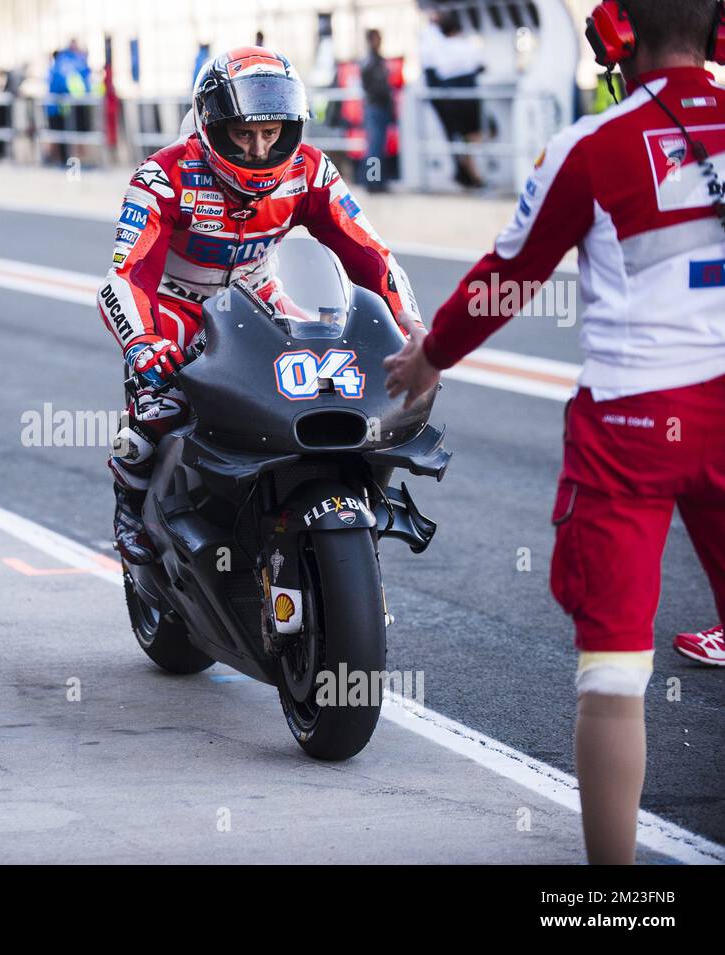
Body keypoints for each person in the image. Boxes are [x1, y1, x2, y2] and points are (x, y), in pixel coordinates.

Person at [383, 0, 725, 864]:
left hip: (631, 429)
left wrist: (431, 354)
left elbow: (510, 275)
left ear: (615, 33)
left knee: (614, 677)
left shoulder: (592, 145)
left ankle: (612, 902)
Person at [96, 46, 419, 565]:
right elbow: (125, 275)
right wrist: (143, 344)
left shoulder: (311, 170)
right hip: (178, 309)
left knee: (331, 382)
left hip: (260, 297)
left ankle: (347, 491)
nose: (258, 148)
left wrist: (412, 327)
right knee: (154, 417)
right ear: (209, 127)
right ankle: (131, 508)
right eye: (242, 134)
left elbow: (370, 252)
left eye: (271, 133)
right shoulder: (161, 176)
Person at [421, 11, 486, 188]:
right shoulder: (467, 46)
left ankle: (468, 173)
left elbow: (438, 70)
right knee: (473, 136)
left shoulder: (437, 46)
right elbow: (481, 65)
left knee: (459, 137)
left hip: (449, 96)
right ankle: (470, 174)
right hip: (468, 95)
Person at [360, 28, 395, 193]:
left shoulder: (376, 60)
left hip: (379, 107)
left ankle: (377, 181)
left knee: (378, 147)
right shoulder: (370, 62)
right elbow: (372, 87)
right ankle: (373, 183)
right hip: (375, 107)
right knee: (374, 147)